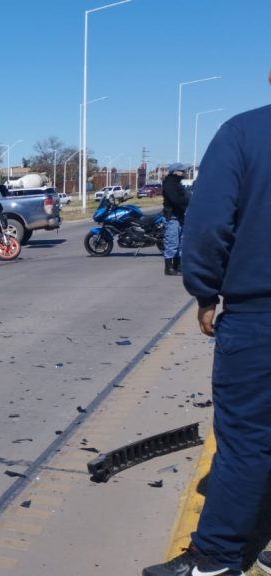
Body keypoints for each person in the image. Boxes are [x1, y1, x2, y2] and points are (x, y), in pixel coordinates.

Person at [141, 98, 271, 575]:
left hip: (261, 315)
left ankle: (214, 559)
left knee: (245, 440)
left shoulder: (244, 133)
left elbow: (209, 224)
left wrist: (205, 293)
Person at [161, 162, 190, 276]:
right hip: (172, 216)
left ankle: (177, 266)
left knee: (181, 243)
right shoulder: (169, 183)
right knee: (172, 243)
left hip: (180, 216)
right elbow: (175, 199)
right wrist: (188, 202)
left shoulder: (177, 183)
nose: (184, 173)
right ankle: (168, 268)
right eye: (182, 171)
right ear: (175, 172)